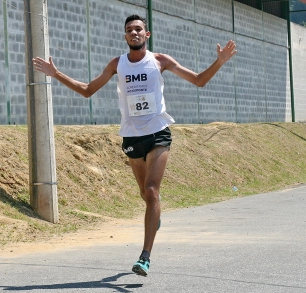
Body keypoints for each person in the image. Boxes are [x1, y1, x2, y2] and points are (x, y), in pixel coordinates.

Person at [33, 14, 237, 277]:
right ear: (125, 36)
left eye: (139, 29)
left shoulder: (160, 61)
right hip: (131, 136)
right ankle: (155, 217)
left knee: (152, 192)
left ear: (147, 34)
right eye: (129, 30)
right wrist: (55, 73)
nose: (134, 33)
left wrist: (218, 62)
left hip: (158, 132)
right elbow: (87, 90)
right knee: (144, 195)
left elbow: (198, 80)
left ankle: (145, 257)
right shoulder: (118, 64)